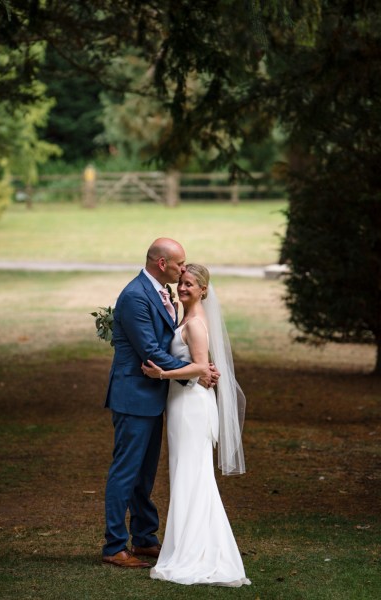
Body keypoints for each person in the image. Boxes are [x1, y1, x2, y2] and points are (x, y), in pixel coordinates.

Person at [102, 240, 219, 569]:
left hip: (153, 396)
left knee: (145, 473)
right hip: (133, 396)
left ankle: (144, 538)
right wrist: (196, 374)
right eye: (179, 264)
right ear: (162, 262)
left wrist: (198, 368)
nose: (183, 269)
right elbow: (151, 349)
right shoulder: (136, 295)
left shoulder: (161, 291)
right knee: (126, 471)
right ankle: (114, 545)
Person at [142, 264, 251, 586]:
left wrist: (161, 374)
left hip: (191, 408)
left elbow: (200, 366)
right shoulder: (185, 318)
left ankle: (196, 552)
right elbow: (200, 366)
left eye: (190, 284)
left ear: (204, 289)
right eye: (181, 282)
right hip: (181, 405)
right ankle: (189, 545)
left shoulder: (196, 324)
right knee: (186, 474)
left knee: (191, 475)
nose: (183, 288)